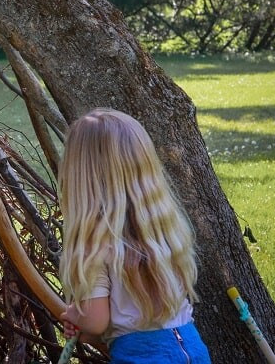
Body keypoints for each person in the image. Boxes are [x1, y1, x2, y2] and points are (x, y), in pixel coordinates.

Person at [58, 108, 211, 363]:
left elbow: (96, 321)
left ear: (80, 177)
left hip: (142, 356)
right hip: (192, 348)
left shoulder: (94, 242)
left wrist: (74, 316)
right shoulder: (163, 230)